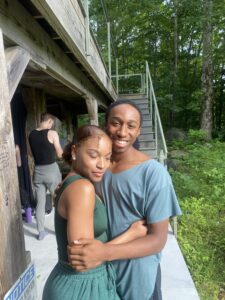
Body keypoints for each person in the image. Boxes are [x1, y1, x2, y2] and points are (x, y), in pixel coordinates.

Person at [68, 100, 182, 300]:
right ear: (105, 124)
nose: (122, 132)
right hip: (103, 274)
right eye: (116, 123)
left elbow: (157, 240)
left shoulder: (153, 173)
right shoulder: (98, 169)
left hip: (138, 278)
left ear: (138, 131)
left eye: (131, 126)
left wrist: (104, 253)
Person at [42, 125, 147, 300]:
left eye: (107, 158)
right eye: (93, 155)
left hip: (81, 284)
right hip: (80, 287)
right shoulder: (82, 188)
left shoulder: (75, 182)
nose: (101, 164)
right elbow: (83, 259)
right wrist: (132, 233)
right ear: (75, 151)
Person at [29, 112, 63, 240]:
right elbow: (59, 153)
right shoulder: (52, 133)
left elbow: (30, 154)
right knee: (59, 201)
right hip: (51, 171)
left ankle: (41, 232)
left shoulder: (31, 134)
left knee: (40, 203)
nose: (51, 126)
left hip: (38, 172)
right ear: (49, 121)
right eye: (51, 124)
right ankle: (60, 231)